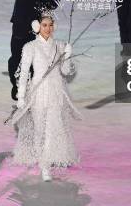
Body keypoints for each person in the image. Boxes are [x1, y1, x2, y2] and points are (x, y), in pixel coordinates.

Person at [10, 12, 81, 182]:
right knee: (40, 129)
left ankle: (45, 165)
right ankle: (39, 155)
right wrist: (20, 96)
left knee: (52, 129)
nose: (48, 28)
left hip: (56, 92)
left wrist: (68, 55)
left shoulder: (59, 46)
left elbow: (64, 72)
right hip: (39, 92)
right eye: (44, 25)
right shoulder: (30, 47)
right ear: (37, 27)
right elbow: (24, 71)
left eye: (50, 25)